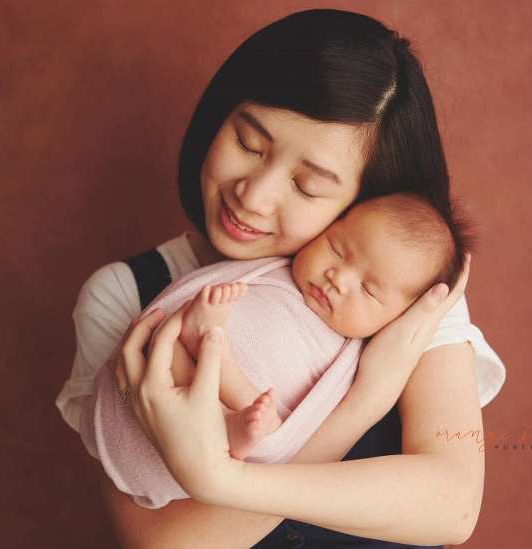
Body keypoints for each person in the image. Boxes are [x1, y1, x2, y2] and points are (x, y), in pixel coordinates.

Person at [55, 8, 506, 548]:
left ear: (359, 203)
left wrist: (224, 480)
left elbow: (449, 506)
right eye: (248, 143)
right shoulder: (127, 293)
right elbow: (167, 544)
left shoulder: (399, 287)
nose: (254, 195)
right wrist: (363, 400)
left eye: (309, 186)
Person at [81, 192, 472, 510]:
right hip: (149, 393)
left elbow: (293, 437)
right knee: (164, 346)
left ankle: (227, 410)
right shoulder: (273, 270)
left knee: (266, 422)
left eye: (369, 290)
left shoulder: (357, 358)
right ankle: (206, 348)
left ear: (402, 317)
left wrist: (370, 396)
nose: (338, 278)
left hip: (233, 426)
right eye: (337, 249)